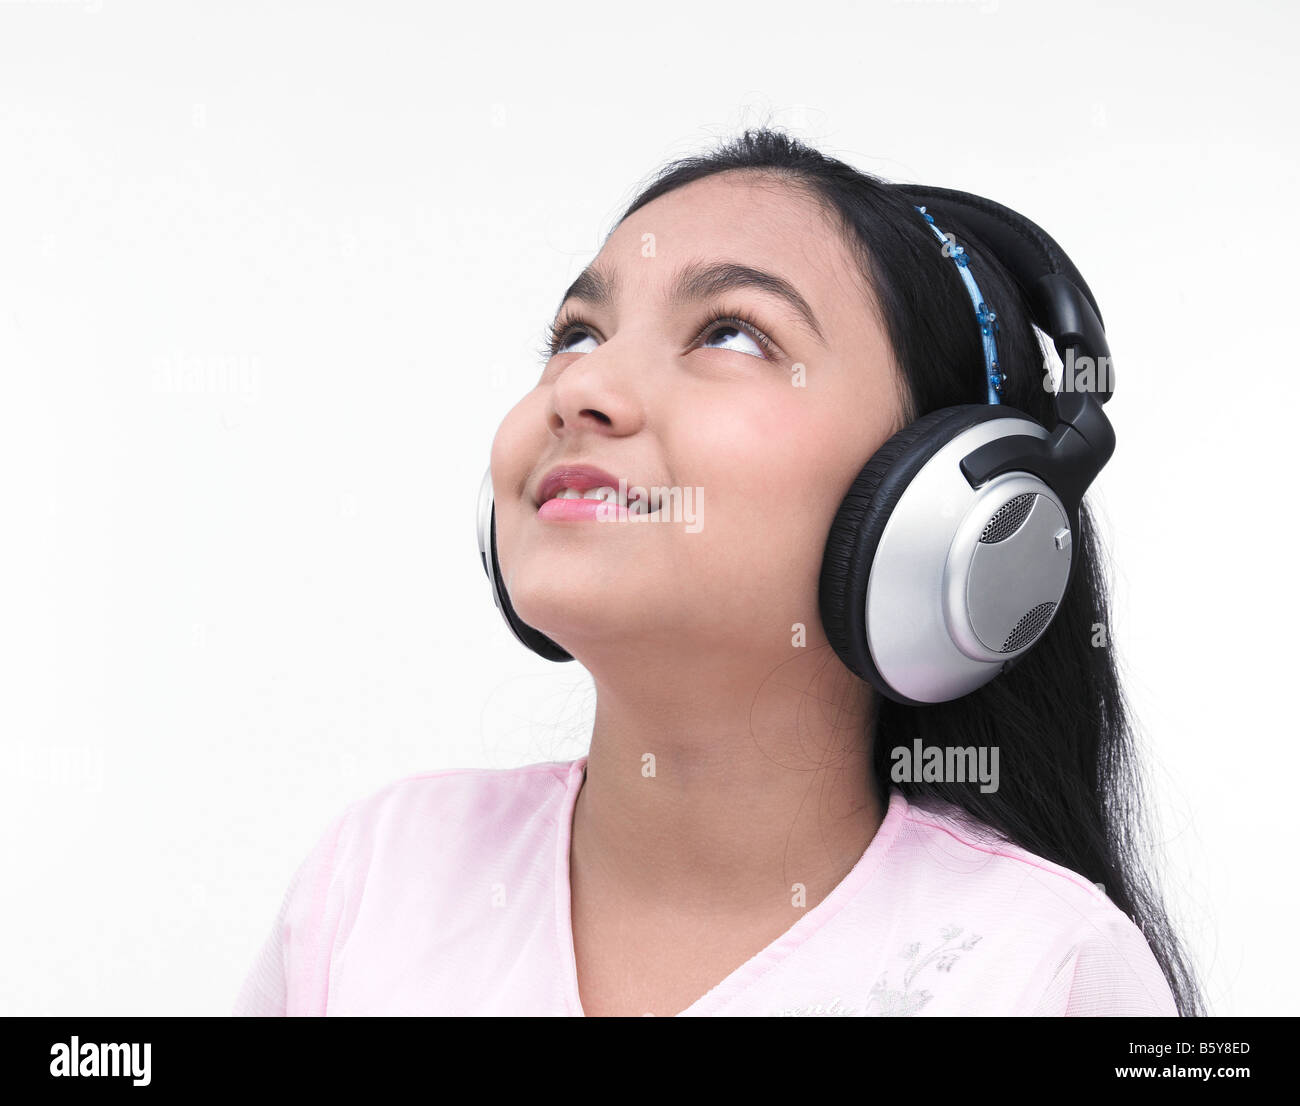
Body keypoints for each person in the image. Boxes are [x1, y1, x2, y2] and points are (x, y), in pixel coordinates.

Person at [232, 128, 1203, 1017]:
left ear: (935, 494)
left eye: (730, 333)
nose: (582, 388)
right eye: (576, 333)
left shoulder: (1041, 967)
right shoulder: (377, 879)